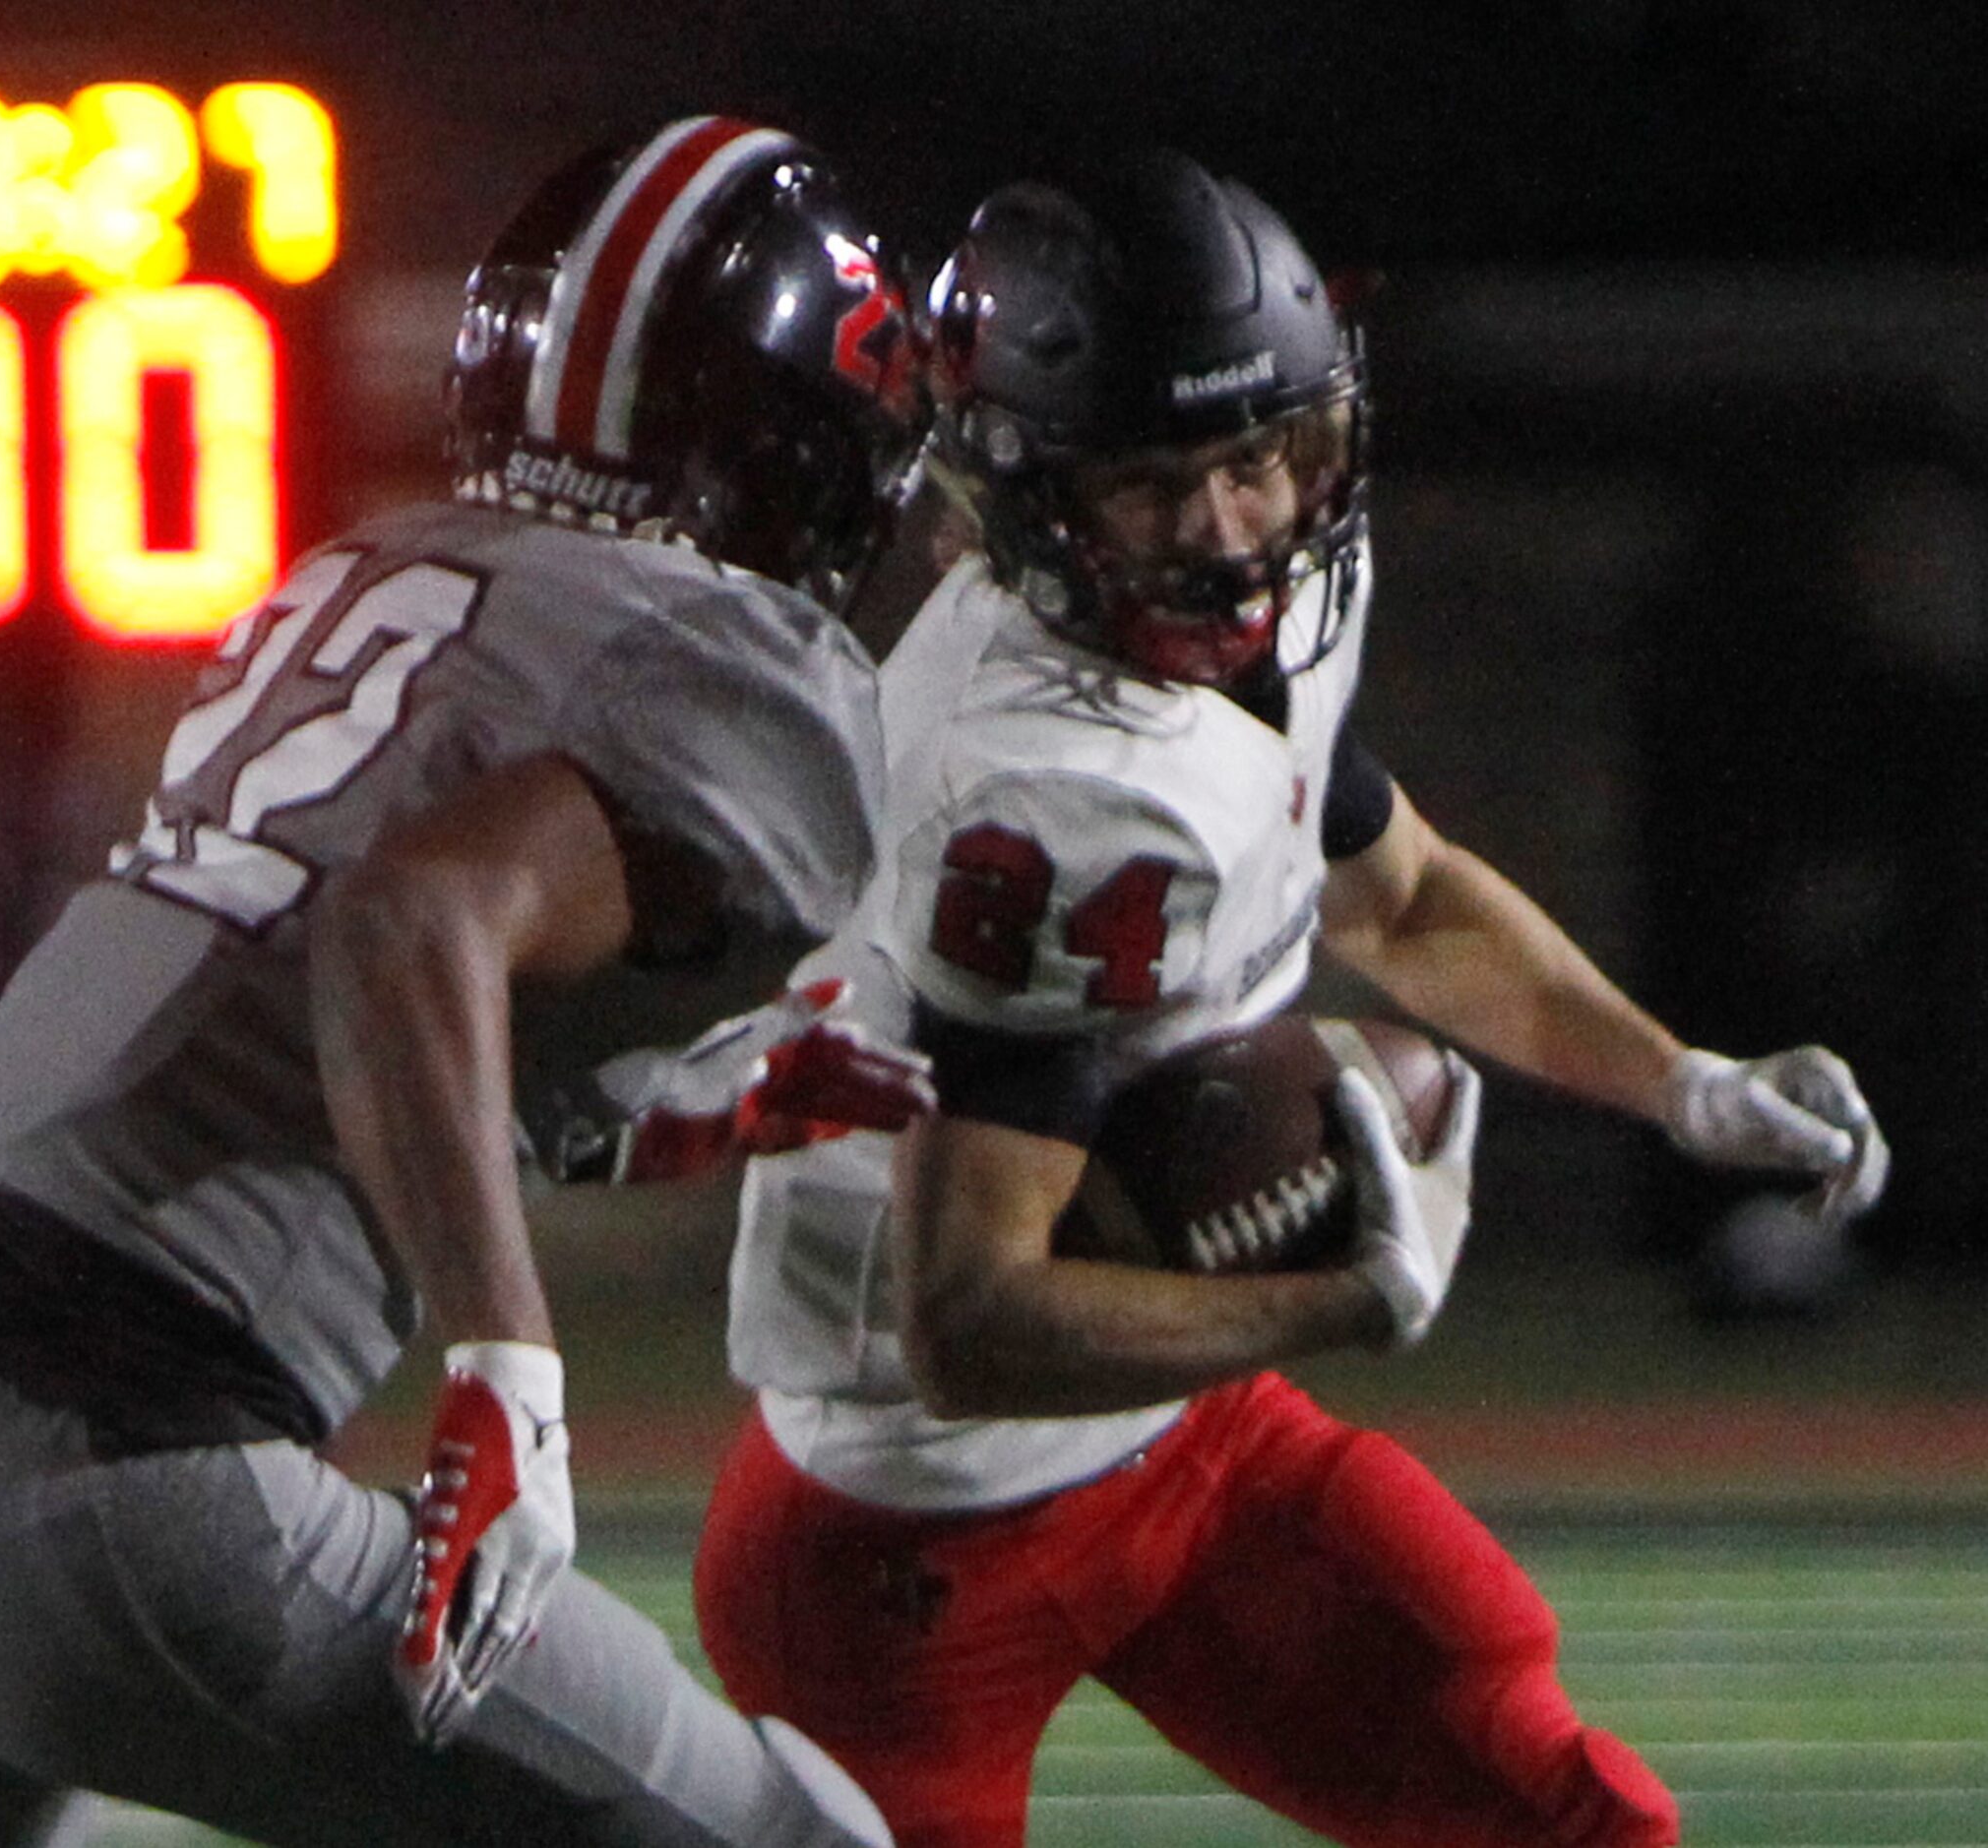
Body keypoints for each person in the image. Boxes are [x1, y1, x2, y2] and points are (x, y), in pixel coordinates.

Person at [0, 115, 937, 1848]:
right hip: (108, 1478)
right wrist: (510, 1366)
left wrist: (679, 1107)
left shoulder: (383, 568)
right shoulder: (736, 674)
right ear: (798, 456)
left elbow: (344, 999)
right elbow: (400, 928)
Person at [690, 152, 1889, 1848]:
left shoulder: (1271, 627)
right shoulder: (1041, 785)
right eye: (1155, 485)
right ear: (1032, 494)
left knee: (1559, 1801)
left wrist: (1677, 1083)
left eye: (1259, 456)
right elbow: (968, 1319)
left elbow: (1402, 896)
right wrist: (1341, 1303)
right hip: (906, 1546)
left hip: (1180, 1444)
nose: (1230, 525)